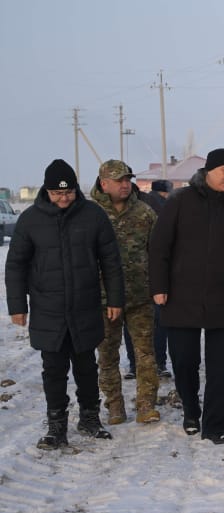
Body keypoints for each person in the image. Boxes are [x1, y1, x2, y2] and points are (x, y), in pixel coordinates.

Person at [5, 159, 124, 449]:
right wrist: (17, 305)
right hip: (49, 309)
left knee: (86, 366)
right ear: (46, 191)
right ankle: (56, 426)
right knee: (54, 370)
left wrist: (115, 299)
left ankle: (90, 418)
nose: (63, 198)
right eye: (57, 193)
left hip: (85, 306)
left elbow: (110, 261)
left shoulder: (93, 215)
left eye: (68, 192)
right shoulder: (30, 219)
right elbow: (16, 265)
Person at [149, 148, 224, 444]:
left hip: (223, 296)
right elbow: (159, 246)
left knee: (219, 367)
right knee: (184, 361)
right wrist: (158, 287)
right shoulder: (180, 202)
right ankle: (191, 410)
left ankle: (214, 426)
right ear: (208, 172)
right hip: (181, 296)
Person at [90, 160, 161, 425]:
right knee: (107, 355)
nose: (124, 185)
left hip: (140, 297)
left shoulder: (144, 213)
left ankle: (146, 405)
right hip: (103, 299)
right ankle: (115, 406)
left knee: (145, 354)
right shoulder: (91, 213)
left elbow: (158, 253)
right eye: (118, 180)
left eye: (127, 180)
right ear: (103, 183)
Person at [124, 178, 173, 381]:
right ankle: (144, 363)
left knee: (156, 321)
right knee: (140, 323)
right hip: (133, 278)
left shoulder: (148, 210)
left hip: (150, 274)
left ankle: (152, 363)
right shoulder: (107, 211)